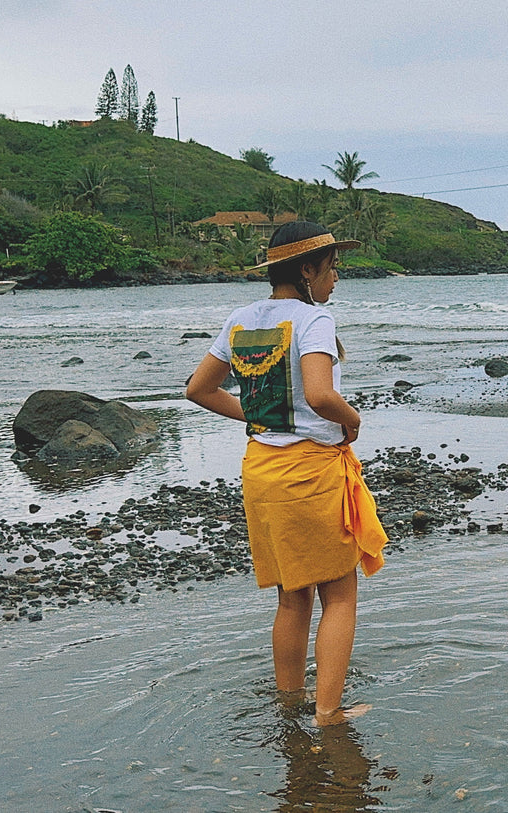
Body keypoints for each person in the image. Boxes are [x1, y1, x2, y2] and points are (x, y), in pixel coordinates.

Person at [185, 220, 388, 725]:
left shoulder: (242, 319)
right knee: (339, 596)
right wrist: (354, 420)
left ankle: (290, 703)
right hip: (310, 474)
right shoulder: (314, 320)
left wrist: (259, 417)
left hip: (263, 471)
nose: (335, 279)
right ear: (306, 271)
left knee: (292, 598)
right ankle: (328, 712)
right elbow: (320, 394)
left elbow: (198, 390)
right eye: (331, 268)